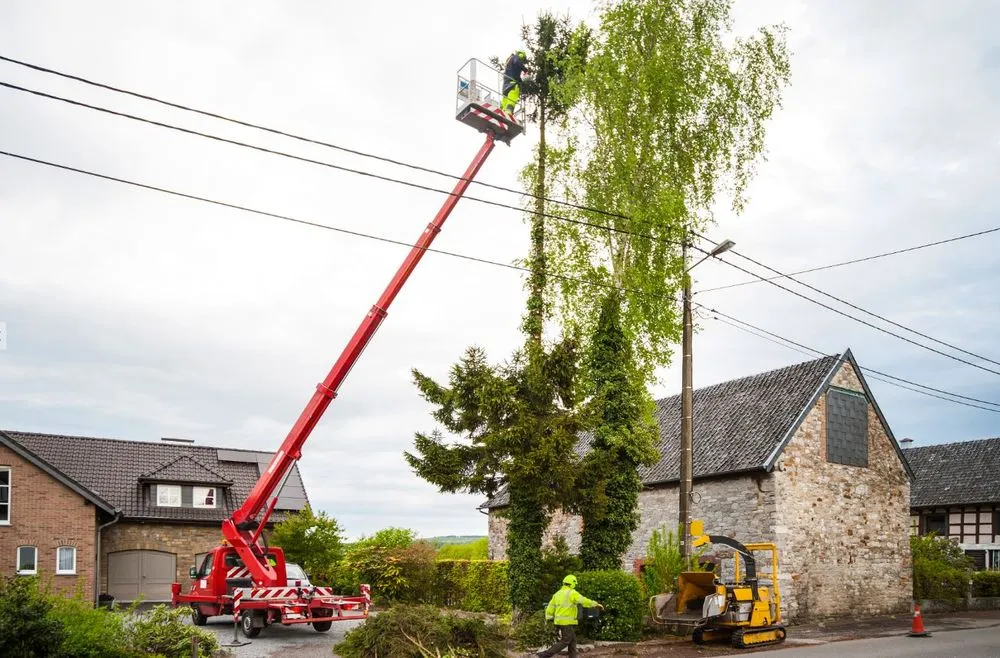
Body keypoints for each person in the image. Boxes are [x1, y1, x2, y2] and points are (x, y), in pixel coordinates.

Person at [537, 574, 603, 658]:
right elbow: (583, 600)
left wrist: (549, 618)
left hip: (559, 621)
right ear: (572, 583)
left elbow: (550, 607)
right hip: (567, 622)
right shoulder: (572, 593)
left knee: (572, 640)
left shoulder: (557, 594)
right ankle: (543, 655)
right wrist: (595, 604)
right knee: (565, 641)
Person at [500, 49, 529, 114]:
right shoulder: (516, 58)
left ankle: (502, 111)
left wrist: (521, 82)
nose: (522, 61)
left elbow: (516, 75)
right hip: (512, 83)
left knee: (505, 97)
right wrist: (525, 70)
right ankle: (509, 110)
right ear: (521, 54)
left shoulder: (509, 60)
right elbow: (517, 63)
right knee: (513, 94)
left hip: (506, 83)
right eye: (522, 59)